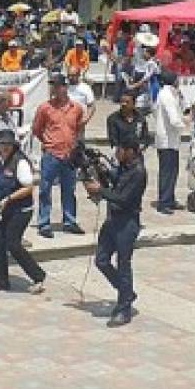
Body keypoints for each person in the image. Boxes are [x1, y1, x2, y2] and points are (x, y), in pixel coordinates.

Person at [82, 132, 147, 328]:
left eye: (120, 150)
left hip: (127, 223)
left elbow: (123, 198)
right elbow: (113, 179)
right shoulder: (124, 167)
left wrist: (99, 191)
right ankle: (126, 292)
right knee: (101, 260)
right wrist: (97, 168)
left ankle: (123, 308)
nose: (117, 153)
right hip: (112, 220)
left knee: (123, 263)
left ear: (130, 152)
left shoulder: (138, 172)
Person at [0, 129, 46, 294]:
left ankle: (38, 276)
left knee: (13, 243)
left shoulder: (20, 162)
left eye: (8, 145)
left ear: (14, 146)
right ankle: (2, 281)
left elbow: (28, 187)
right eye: (2, 144)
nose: (5, 148)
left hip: (19, 210)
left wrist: (9, 199)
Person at [32, 73, 86, 239]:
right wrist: (48, 142)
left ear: (64, 87)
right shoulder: (45, 108)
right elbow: (37, 129)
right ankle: (44, 222)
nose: (54, 89)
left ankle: (69, 220)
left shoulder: (76, 108)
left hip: (69, 155)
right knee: (45, 189)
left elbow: (78, 128)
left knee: (69, 189)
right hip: (52, 154)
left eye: (57, 85)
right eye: (52, 86)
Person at [153, 70, 187, 214]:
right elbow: (173, 118)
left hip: (171, 139)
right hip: (167, 139)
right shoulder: (166, 96)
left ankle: (170, 198)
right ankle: (164, 202)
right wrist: (185, 125)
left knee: (173, 171)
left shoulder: (172, 94)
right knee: (167, 172)